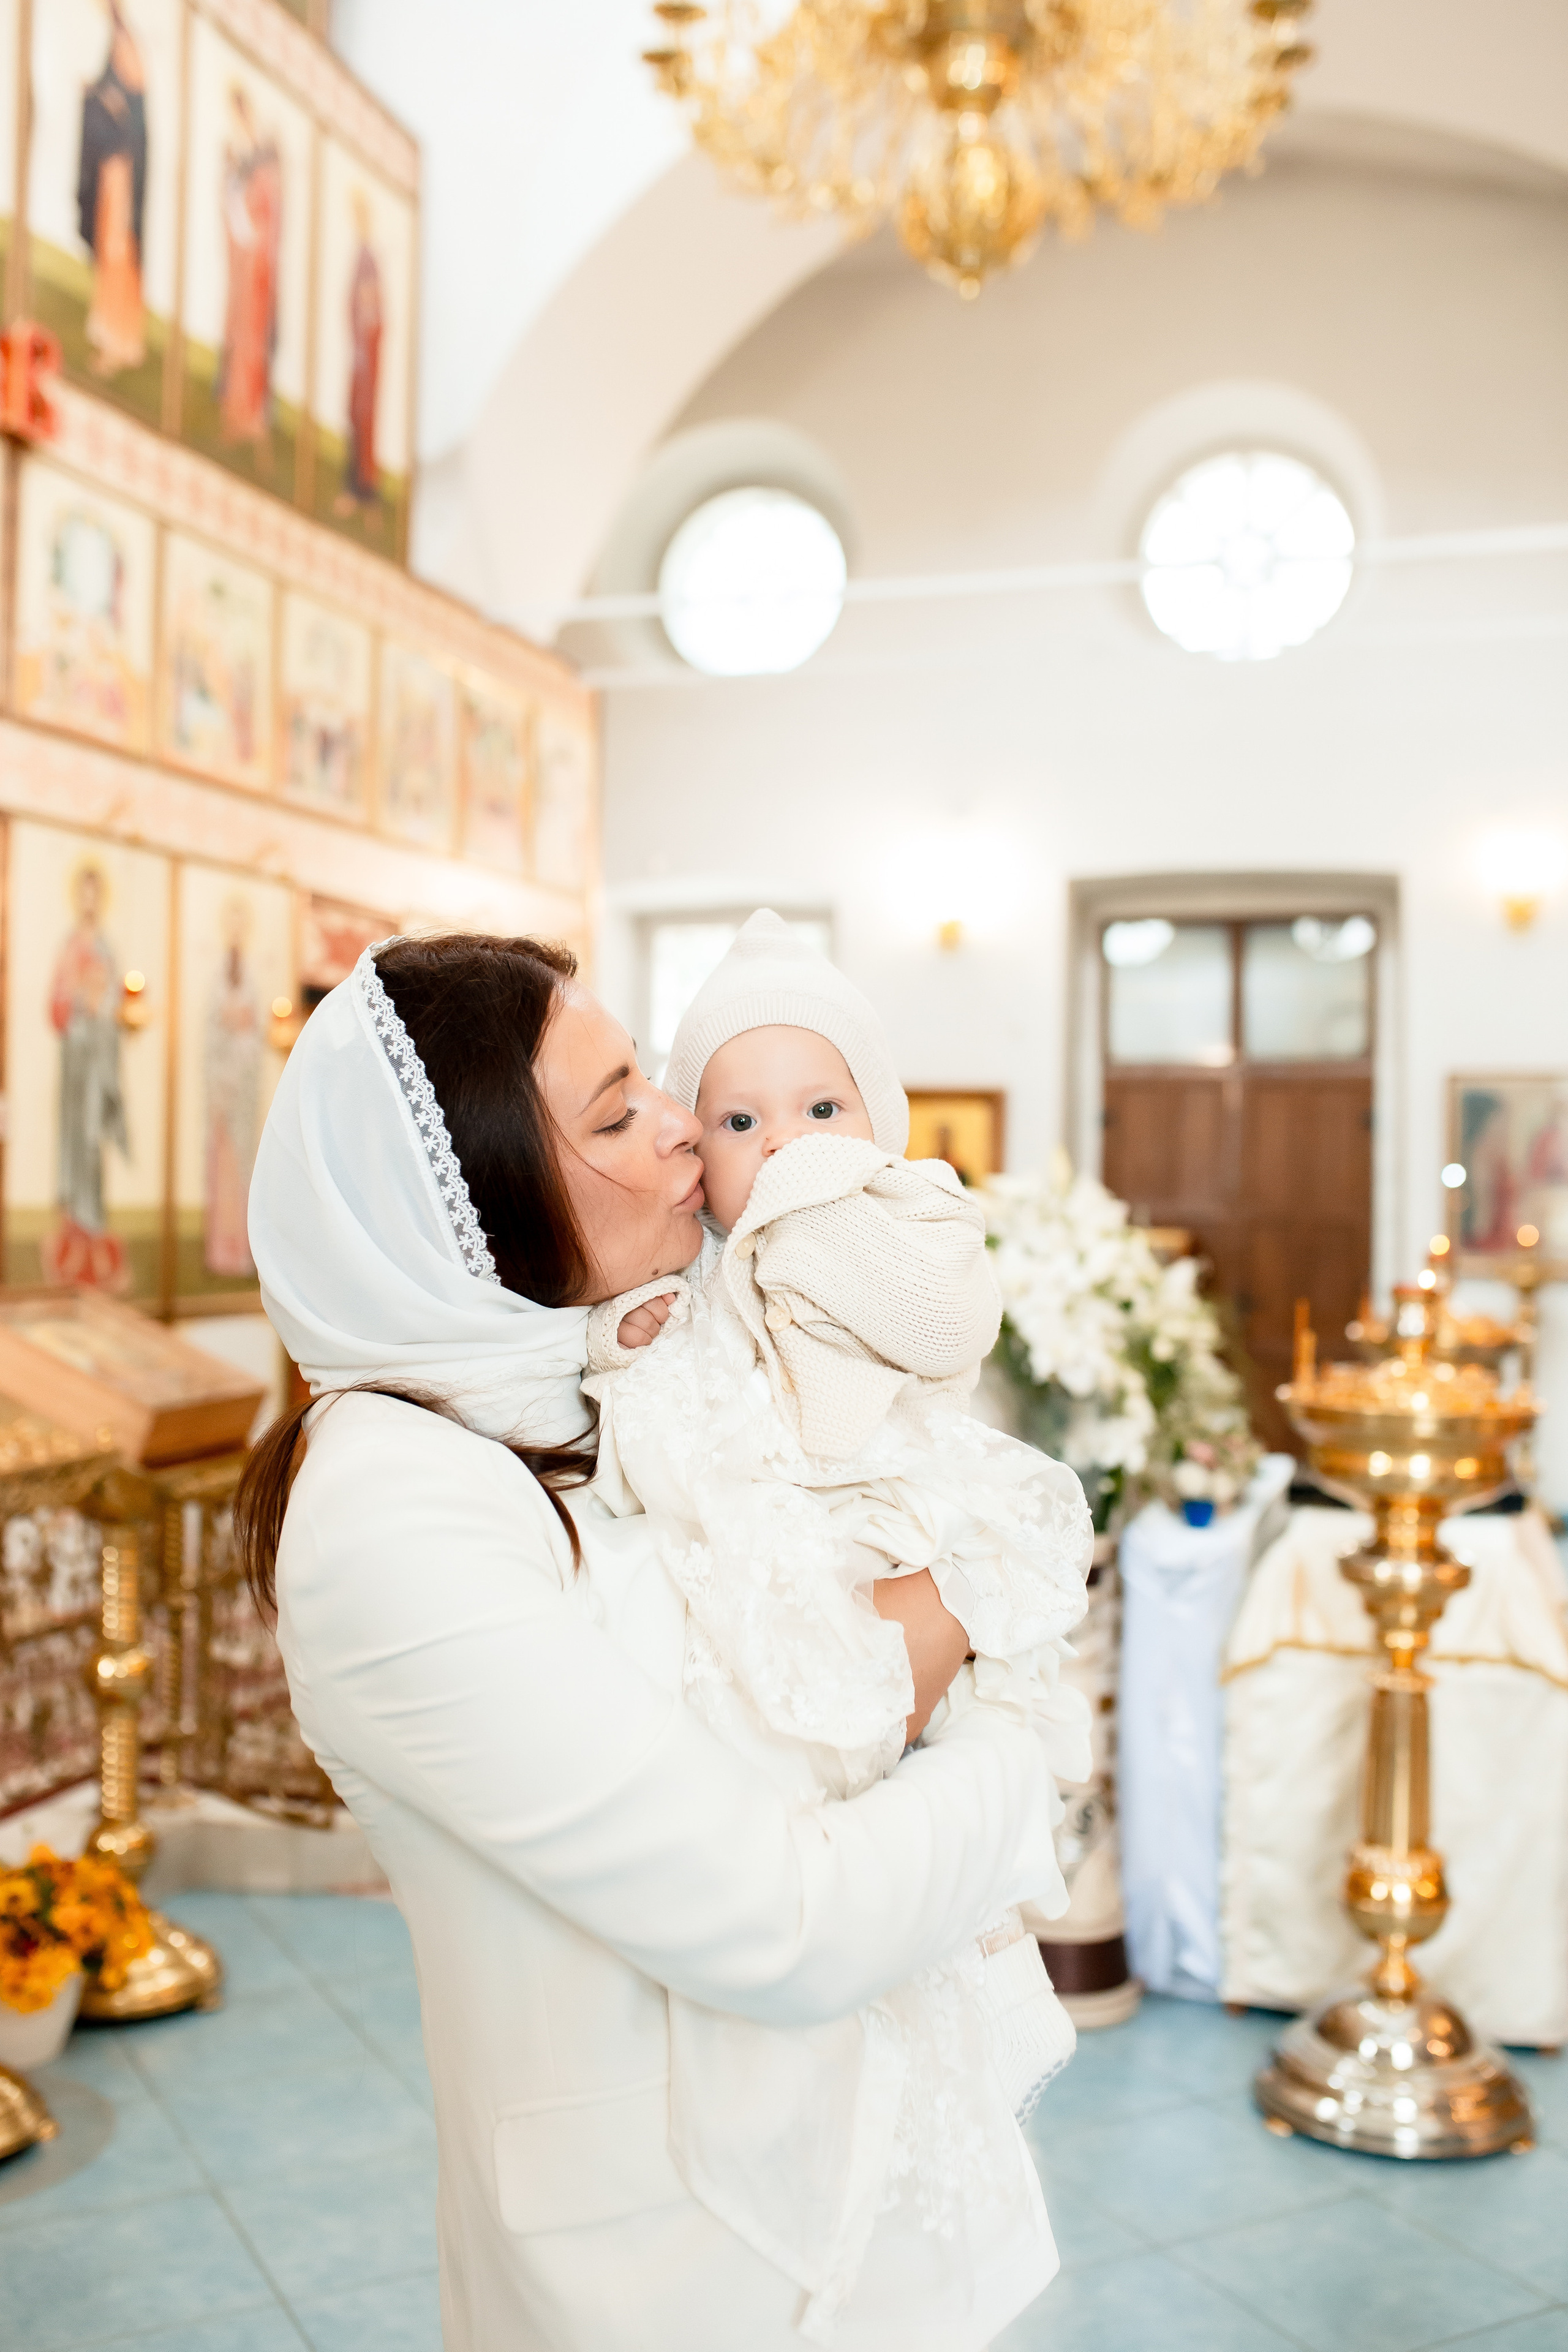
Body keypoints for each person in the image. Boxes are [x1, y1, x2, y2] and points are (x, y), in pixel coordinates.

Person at [239, 932, 1066, 2352]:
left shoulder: (623, 1355)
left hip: (873, 2158)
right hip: (681, 2256)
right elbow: (784, 1916)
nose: (687, 1119)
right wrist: (1011, 1731)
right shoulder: (391, 1506)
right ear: (483, 1207)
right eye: (618, 1111)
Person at [582, 913, 1091, 2334]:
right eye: (742, 1120)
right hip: (775, 1565)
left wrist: (826, 1204)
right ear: (697, 1146)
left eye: (823, 1108)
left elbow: (939, 1330)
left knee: (914, 1953)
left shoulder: (897, 1225)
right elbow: (653, 1386)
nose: (787, 1142)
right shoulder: (677, 1296)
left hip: (898, 1505)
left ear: (878, 1117)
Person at [78, 1, 148, 377]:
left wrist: (103, 98)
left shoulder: (127, 45)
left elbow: (131, 110)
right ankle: (109, 336)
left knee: (119, 250)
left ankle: (121, 341)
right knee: (110, 249)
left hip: (123, 168)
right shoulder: (117, 43)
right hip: (112, 167)